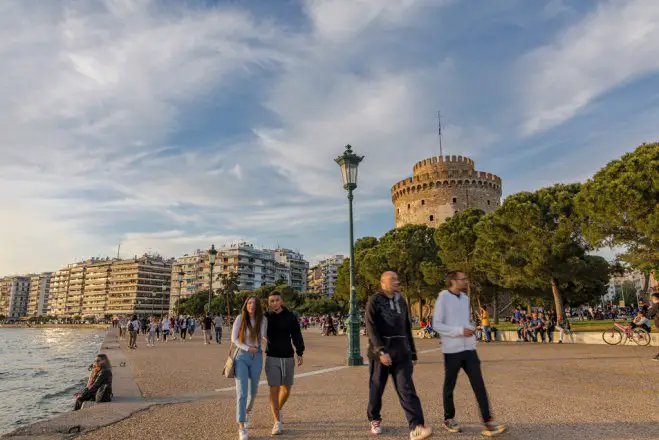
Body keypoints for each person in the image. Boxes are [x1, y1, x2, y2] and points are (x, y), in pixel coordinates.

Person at [433, 271, 505, 437]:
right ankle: (449, 418)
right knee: (449, 385)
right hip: (452, 350)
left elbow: (466, 321)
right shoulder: (443, 297)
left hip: (469, 350)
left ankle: (488, 421)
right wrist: (459, 331)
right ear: (453, 281)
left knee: (479, 384)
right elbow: (436, 324)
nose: (466, 281)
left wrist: (471, 327)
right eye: (462, 279)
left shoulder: (465, 298)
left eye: (465, 278)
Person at [365, 271, 432, 440]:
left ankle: (417, 426)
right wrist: (381, 351)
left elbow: (406, 327)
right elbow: (371, 327)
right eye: (392, 279)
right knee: (377, 388)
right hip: (380, 354)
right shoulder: (374, 300)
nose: (397, 281)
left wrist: (414, 353)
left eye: (397, 279)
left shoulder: (401, 301)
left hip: (402, 353)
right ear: (382, 283)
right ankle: (374, 418)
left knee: (407, 388)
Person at [265, 291, 305, 436]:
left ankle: (278, 409)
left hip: (288, 356)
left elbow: (296, 334)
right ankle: (277, 422)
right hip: (272, 357)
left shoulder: (290, 316)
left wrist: (299, 352)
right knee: (274, 388)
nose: (273, 303)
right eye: (271, 301)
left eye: (276, 300)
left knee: (286, 390)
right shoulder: (266, 317)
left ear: (281, 301)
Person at [232, 296, 268, 440]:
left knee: (253, 391)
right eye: (249, 303)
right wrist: (247, 348)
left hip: (257, 357)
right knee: (241, 391)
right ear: (246, 305)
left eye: (254, 303)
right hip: (241, 356)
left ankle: (248, 411)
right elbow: (234, 339)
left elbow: (264, 335)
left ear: (258, 306)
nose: (252, 305)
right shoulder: (240, 318)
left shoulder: (263, 320)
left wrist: (267, 339)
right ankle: (241, 425)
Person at [649, 292, 659, 361]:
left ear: (654, 299)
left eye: (652, 299)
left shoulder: (656, 305)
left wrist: (650, 308)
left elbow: (650, 314)